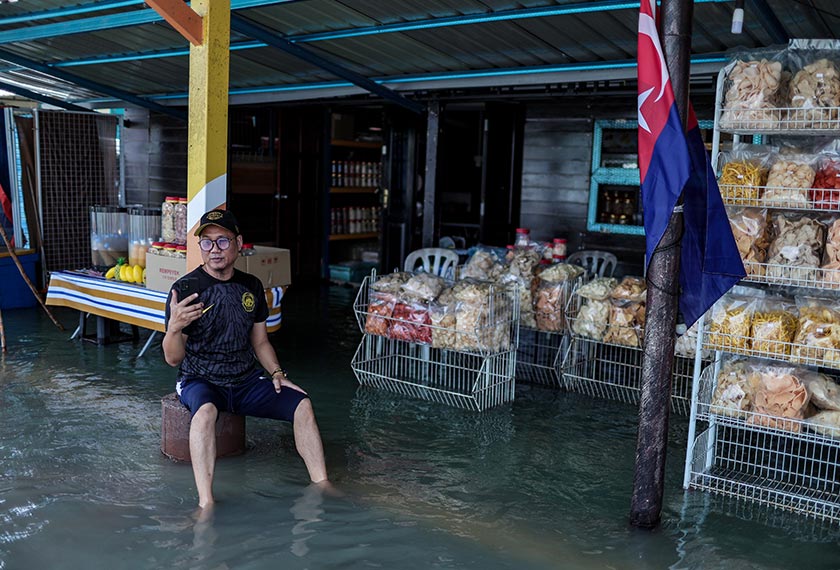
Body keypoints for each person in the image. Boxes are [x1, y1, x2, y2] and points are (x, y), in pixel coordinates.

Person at [163, 208, 328, 509]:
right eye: (207, 243)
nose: (214, 250)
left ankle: (323, 485)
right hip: (200, 378)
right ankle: (206, 502)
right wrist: (174, 327)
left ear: (238, 242)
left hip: (245, 379)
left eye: (223, 241)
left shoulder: (251, 286)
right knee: (205, 414)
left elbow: (260, 341)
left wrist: (277, 372)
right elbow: (173, 359)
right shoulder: (186, 290)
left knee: (303, 404)